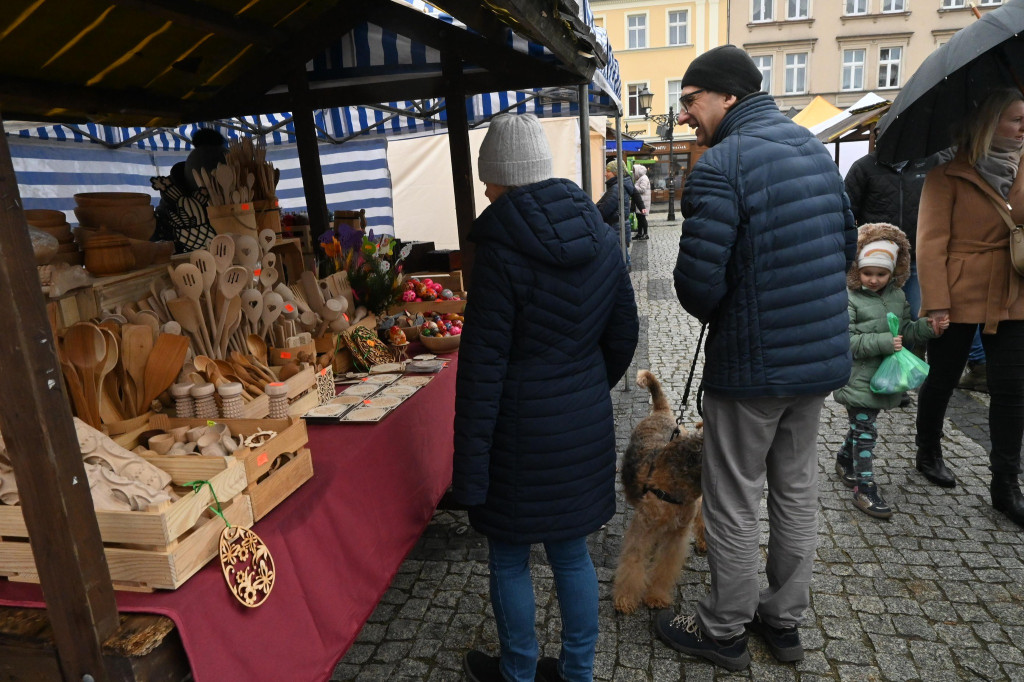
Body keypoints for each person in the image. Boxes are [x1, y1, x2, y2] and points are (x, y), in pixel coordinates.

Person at [657, 45, 857, 671]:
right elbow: (847, 243)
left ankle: (723, 630)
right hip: (817, 359)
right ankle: (784, 620)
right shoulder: (812, 152)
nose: (684, 116)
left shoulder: (722, 166)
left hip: (751, 365)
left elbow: (697, 287)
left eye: (690, 101)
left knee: (734, 497)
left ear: (728, 97)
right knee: (796, 491)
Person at [453, 113, 639, 682]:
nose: (485, 189)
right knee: (570, 552)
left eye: (490, 178)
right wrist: (580, 386)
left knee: (509, 554)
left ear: (506, 177)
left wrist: (468, 475)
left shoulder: (498, 250)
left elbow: (481, 370)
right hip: (581, 421)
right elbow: (624, 334)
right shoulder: (602, 235)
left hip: (517, 433)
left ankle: (520, 672)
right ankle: (578, 672)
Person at [915, 87, 1024, 528]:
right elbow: (931, 243)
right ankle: (928, 449)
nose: (1023, 128)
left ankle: (1006, 486)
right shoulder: (947, 174)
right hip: (957, 292)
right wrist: (936, 303)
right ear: (989, 123)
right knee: (941, 378)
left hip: (1012, 289)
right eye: (1017, 119)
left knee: (1013, 391)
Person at [833, 224, 944, 519]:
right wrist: (883, 342)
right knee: (866, 431)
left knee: (862, 426)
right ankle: (864, 487)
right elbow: (846, 340)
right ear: (858, 270)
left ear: (893, 273)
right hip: (856, 377)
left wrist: (927, 329)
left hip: (883, 379)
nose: (873, 279)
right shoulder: (850, 299)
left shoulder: (896, 296)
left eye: (881, 274)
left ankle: (844, 457)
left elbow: (906, 331)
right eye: (867, 273)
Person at [844, 149, 952, 321]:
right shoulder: (864, 167)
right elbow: (847, 212)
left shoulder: (931, 163)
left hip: (919, 256)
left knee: (915, 316)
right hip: (877, 260)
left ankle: (907, 348)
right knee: (879, 319)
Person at [596, 160, 645, 267]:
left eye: (607, 171)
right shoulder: (620, 185)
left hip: (616, 227)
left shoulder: (616, 188)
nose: (605, 173)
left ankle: (624, 276)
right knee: (622, 256)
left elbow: (603, 210)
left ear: (614, 172)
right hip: (619, 226)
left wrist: (594, 212)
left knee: (621, 259)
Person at [632, 164, 651, 239]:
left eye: (634, 171)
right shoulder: (640, 178)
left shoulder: (644, 178)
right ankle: (640, 233)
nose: (633, 172)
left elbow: (642, 189)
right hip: (641, 201)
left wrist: (633, 186)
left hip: (643, 202)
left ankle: (646, 234)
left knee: (642, 218)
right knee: (639, 218)